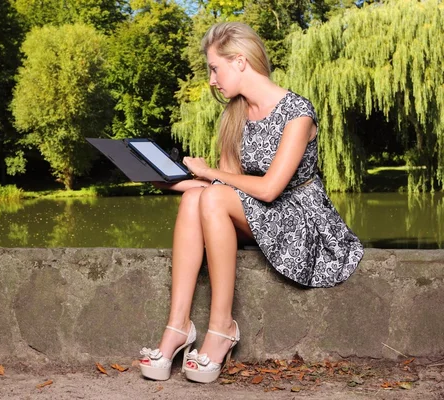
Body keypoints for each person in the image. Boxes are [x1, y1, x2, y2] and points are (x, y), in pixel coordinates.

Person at [138, 21, 364, 384]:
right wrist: (164, 181)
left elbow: (271, 188)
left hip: (301, 218)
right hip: (256, 213)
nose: (211, 80)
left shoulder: (298, 113)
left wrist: (209, 171)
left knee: (208, 193)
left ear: (240, 61)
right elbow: (222, 187)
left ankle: (222, 328)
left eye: (214, 67)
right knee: (195, 197)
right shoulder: (236, 114)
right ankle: (178, 326)